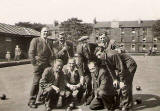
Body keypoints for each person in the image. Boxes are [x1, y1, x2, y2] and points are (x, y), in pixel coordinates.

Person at [28, 26, 54, 108]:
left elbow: (51, 53)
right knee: (36, 83)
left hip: (47, 65)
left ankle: (42, 97)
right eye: (44, 31)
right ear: (41, 33)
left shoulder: (49, 42)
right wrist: (35, 64)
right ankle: (32, 101)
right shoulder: (35, 40)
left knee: (46, 82)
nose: (46, 33)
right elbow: (31, 53)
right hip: (38, 65)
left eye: (47, 32)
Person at [76, 36, 98, 104]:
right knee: (87, 82)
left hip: (94, 66)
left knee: (95, 82)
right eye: (83, 42)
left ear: (88, 41)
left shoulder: (93, 45)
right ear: (81, 43)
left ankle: (95, 96)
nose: (85, 43)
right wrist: (81, 76)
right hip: (86, 68)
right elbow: (79, 63)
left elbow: (99, 47)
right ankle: (87, 97)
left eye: (86, 41)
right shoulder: (79, 49)